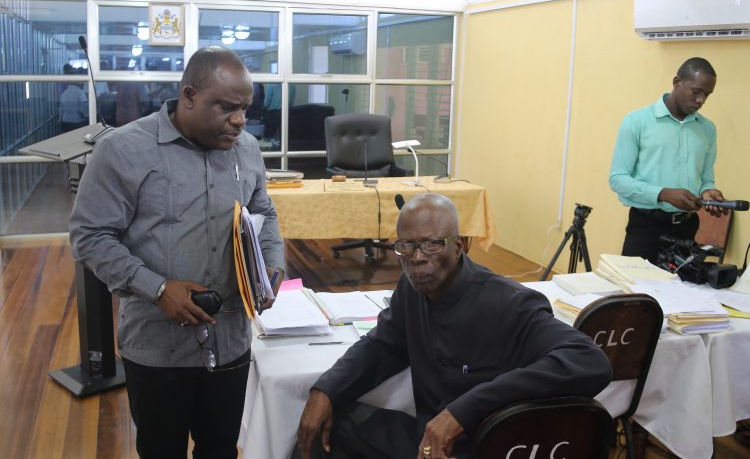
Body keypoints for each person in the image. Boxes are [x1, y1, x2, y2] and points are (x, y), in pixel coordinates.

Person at [69, 46, 285, 459]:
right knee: (160, 450)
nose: (239, 121)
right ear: (188, 96)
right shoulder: (124, 150)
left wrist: (271, 263)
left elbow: (263, 210)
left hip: (231, 339)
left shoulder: (247, 149)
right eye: (226, 108)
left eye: (245, 108)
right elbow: (89, 235)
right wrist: (158, 288)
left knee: (220, 448)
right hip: (157, 348)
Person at [295, 194, 612, 459]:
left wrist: (463, 411)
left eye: (432, 244)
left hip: (485, 446)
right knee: (319, 431)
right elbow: (382, 345)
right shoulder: (411, 289)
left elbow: (590, 360)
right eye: (405, 246)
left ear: (460, 245)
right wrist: (327, 389)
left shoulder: (508, 304)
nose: (417, 258)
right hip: (427, 442)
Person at [609, 57, 725, 264]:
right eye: (696, 91)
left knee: (682, 293)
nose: (702, 100)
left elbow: (706, 178)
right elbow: (617, 179)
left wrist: (708, 191)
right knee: (637, 295)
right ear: (676, 82)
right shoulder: (636, 122)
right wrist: (663, 193)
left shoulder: (707, 129)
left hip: (687, 229)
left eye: (707, 94)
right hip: (645, 227)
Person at [59, 63, 89, 132]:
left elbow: (61, 110)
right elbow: (85, 107)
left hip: (65, 121)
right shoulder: (80, 92)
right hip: (77, 121)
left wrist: (60, 120)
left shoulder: (63, 93)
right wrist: (85, 116)